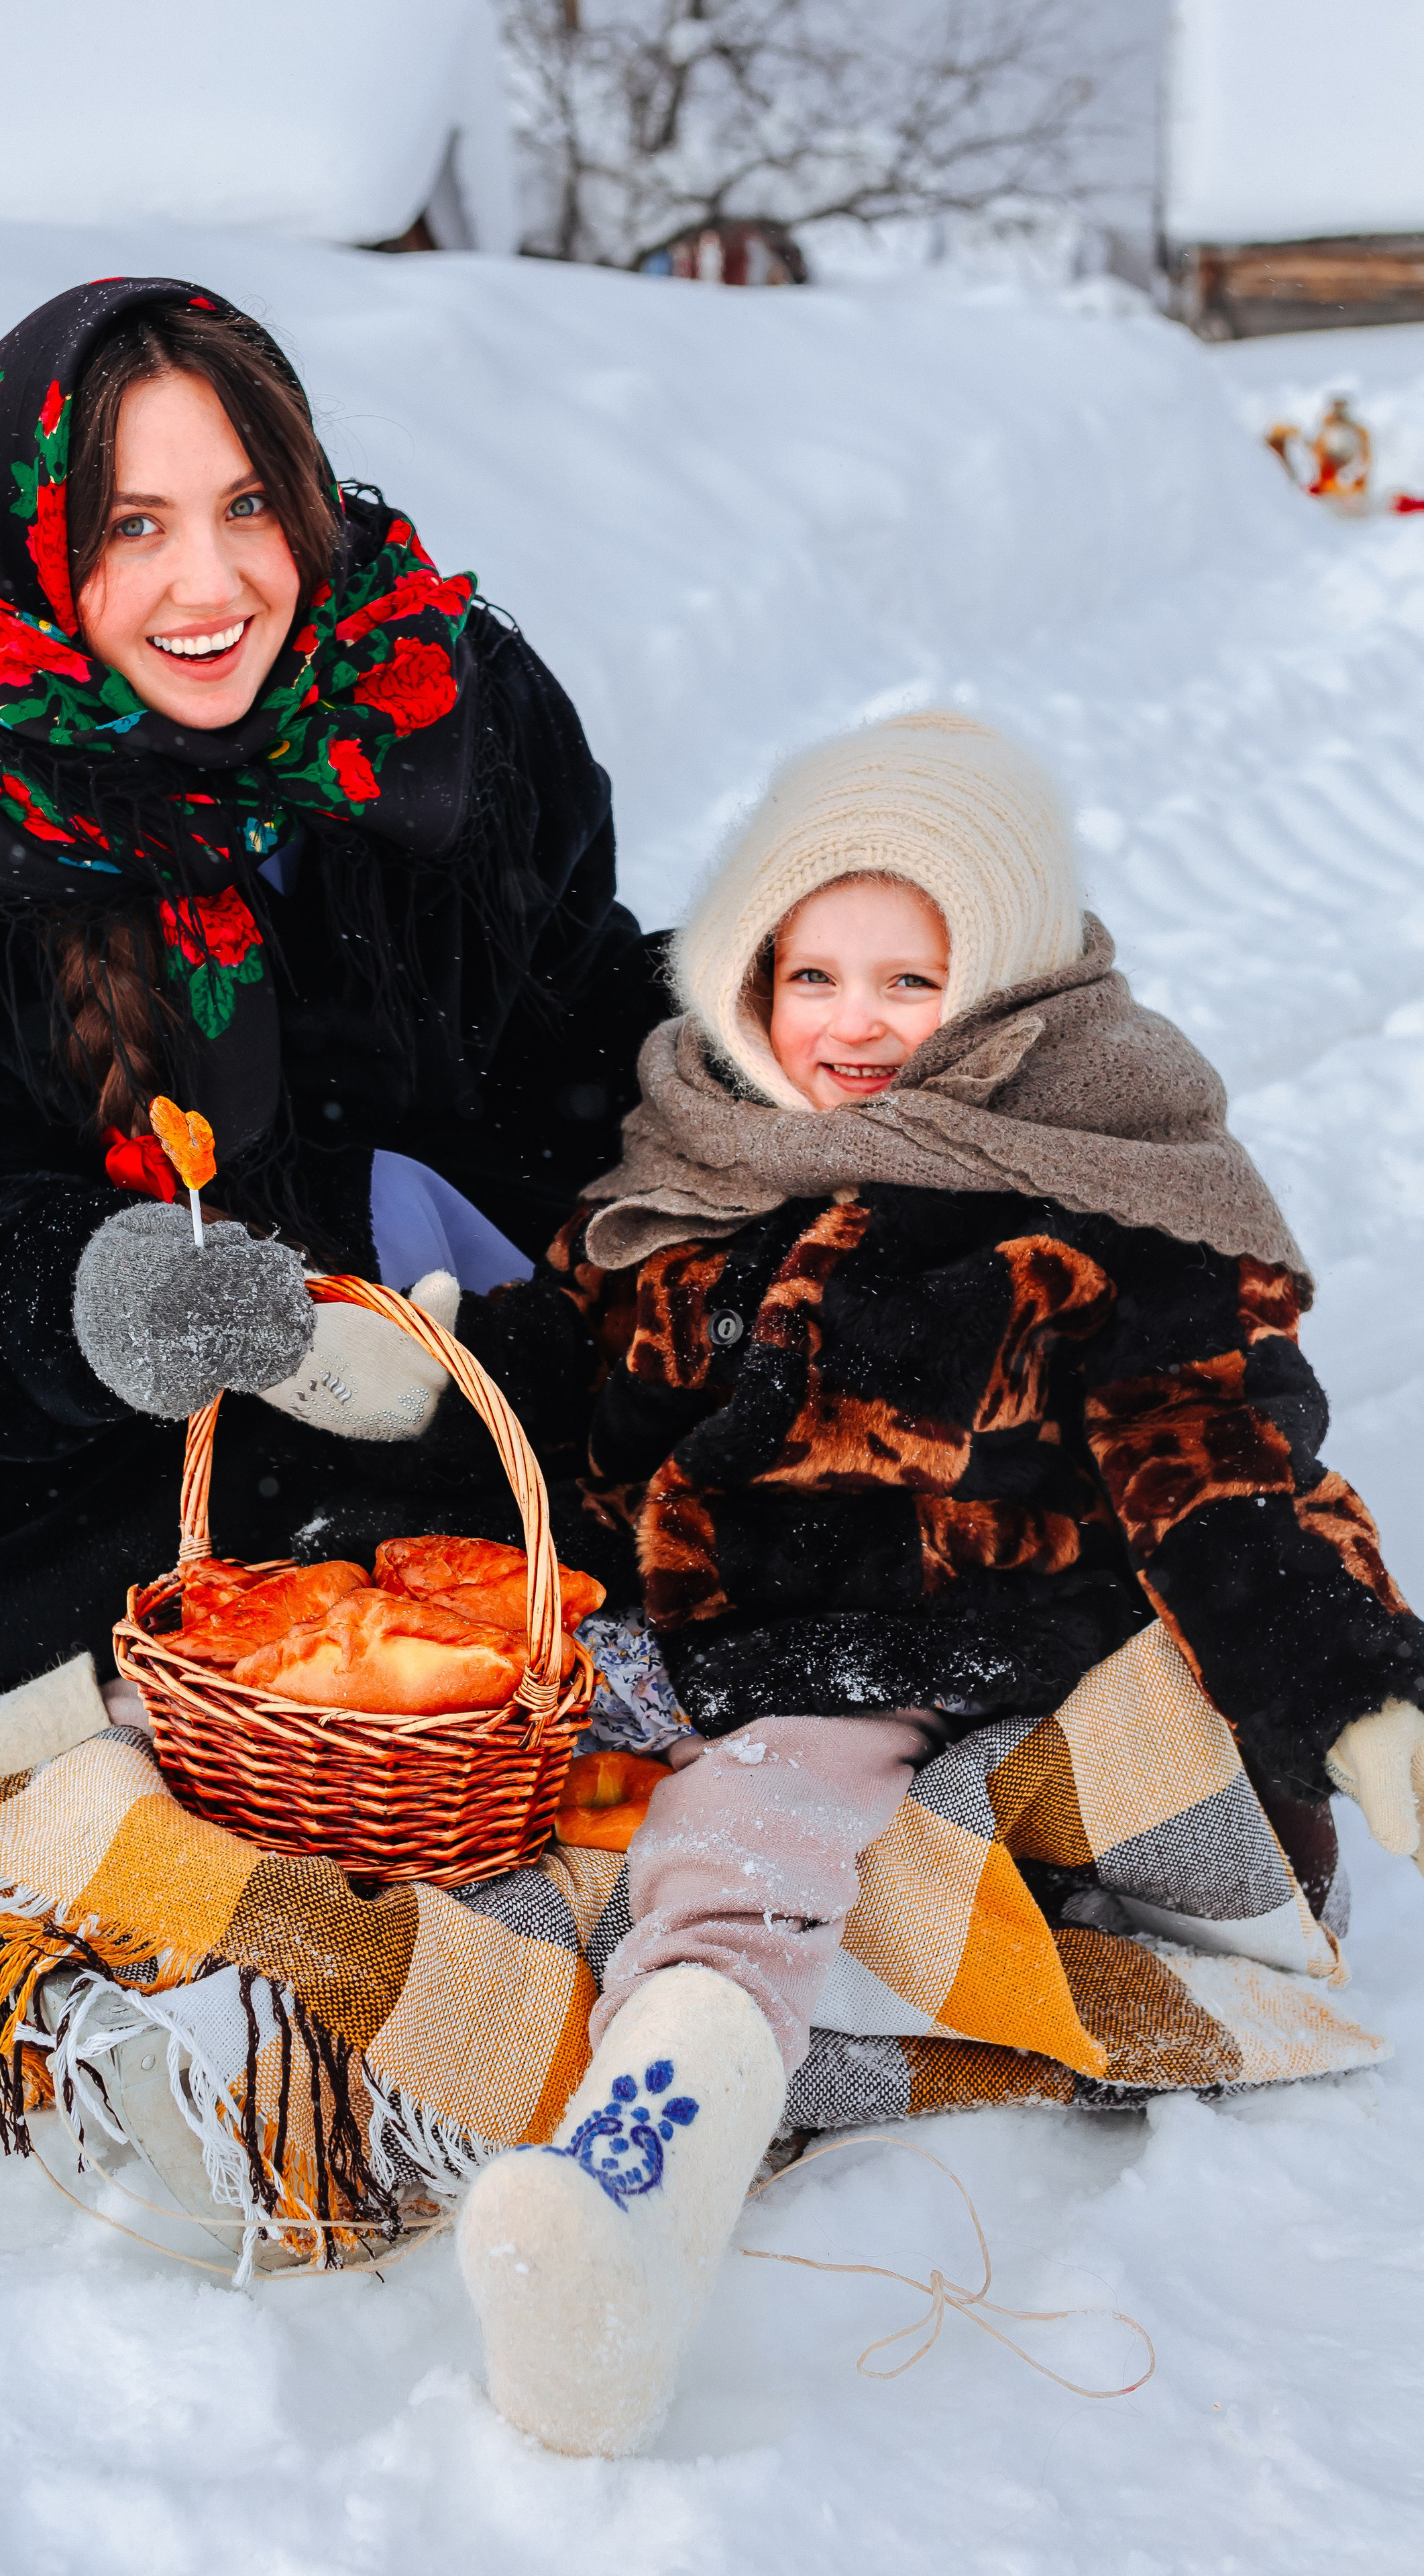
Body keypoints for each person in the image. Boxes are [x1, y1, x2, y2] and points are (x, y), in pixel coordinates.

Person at [443, 708, 1424, 2456]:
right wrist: (387, 1370)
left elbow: (1217, 1465)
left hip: (942, 1638)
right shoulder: (701, 1154)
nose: (852, 1025)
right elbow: (554, 1377)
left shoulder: (1097, 1191)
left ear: (1006, 993)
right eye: (811, 976)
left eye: (912, 980)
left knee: (744, 1836)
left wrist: (1347, 1688)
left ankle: (638, 2197)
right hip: (692, 1639)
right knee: (481, 1777)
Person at [0, 276, 665, 1746]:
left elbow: (567, 1029)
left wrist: (774, 1015)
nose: (210, 588)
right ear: (28, 540)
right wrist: (109, 1296)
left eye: (248, 507)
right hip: (90, 1491)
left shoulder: (436, 704)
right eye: (130, 527)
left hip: (449, 1377)